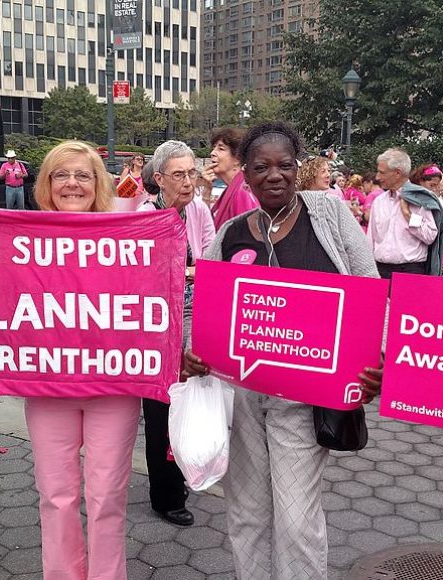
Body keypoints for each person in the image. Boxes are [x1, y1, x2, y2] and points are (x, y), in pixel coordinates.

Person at [182, 121, 383, 580]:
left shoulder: (329, 217)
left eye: (285, 165)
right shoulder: (232, 233)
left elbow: (367, 291)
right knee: (247, 514)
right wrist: (192, 353)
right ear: (245, 175)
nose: (274, 175)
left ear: (298, 168)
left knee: (296, 521)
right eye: (261, 167)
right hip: (241, 395)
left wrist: (371, 364)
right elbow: (209, 304)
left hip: (304, 397)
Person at [22, 141, 141, 580]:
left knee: (107, 495)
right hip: (47, 385)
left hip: (112, 386)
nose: (72, 183)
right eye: (61, 174)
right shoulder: (19, 239)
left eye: (83, 175)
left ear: (99, 184)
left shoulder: (127, 237)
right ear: (46, 184)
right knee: (56, 496)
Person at [136, 141, 215, 528]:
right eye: (179, 175)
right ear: (159, 179)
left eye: (192, 174)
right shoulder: (144, 214)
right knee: (160, 408)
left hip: (192, 313)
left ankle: (183, 473)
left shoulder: (199, 209)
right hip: (154, 320)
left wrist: (200, 272)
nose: (188, 182)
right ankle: (165, 494)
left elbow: (211, 256)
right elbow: (137, 269)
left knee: (187, 399)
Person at [367, 148, 443, 277]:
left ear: (397, 173)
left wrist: (409, 216)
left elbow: (430, 236)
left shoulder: (421, 199)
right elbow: (370, 240)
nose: (377, 177)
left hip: (410, 271)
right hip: (379, 271)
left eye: (382, 173)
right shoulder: (379, 201)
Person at [204, 127, 259, 230]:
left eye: (221, 149)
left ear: (237, 158)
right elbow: (207, 229)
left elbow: (248, 235)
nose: (212, 153)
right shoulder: (231, 189)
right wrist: (206, 191)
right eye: (214, 147)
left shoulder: (243, 190)